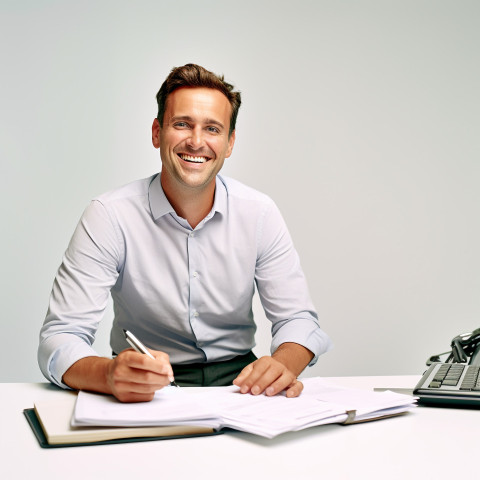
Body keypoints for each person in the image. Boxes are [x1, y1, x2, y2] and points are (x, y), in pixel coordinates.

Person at [38, 64, 332, 402]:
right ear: (156, 132)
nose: (196, 141)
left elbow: (298, 320)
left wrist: (282, 366)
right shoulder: (109, 216)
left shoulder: (260, 213)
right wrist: (108, 375)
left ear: (229, 142)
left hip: (241, 385)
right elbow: (60, 337)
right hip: (146, 384)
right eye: (182, 124)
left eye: (212, 128)